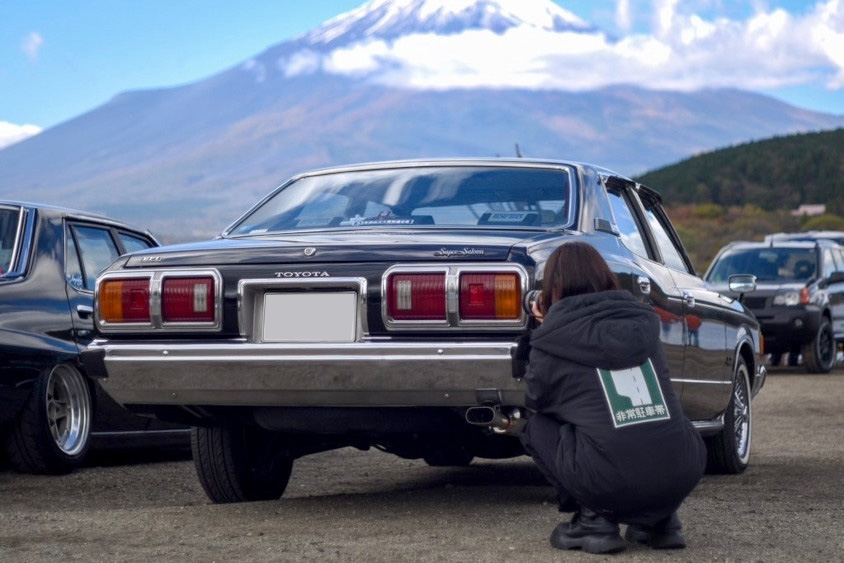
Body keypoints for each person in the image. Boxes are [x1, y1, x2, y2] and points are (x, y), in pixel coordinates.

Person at [519, 242, 707, 554]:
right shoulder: (642, 323)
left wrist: (544, 330)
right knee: (665, 415)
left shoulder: (554, 337)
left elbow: (536, 398)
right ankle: (662, 522)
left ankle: (593, 520)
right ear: (606, 277)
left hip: (609, 481)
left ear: (552, 288)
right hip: (682, 471)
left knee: (537, 426)